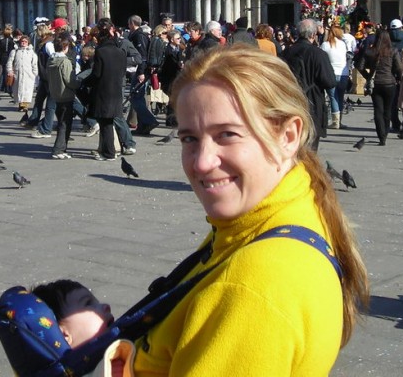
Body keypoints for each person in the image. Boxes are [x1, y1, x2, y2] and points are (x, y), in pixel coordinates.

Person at [132, 46, 369, 375]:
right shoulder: (276, 217)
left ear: (288, 135)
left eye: (227, 134)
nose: (202, 161)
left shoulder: (251, 286)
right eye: (189, 139)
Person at [282, 19, 336, 148]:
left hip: (290, 103)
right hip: (313, 104)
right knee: (310, 149)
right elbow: (330, 82)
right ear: (313, 35)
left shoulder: (285, 53)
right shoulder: (318, 54)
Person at [83, 19, 127, 161]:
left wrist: (85, 82)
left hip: (103, 92)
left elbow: (96, 74)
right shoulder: (121, 52)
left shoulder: (101, 52)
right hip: (116, 91)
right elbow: (122, 72)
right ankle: (106, 149)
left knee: (106, 123)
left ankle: (109, 153)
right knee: (108, 122)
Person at [357, 28, 400, 144]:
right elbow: (399, 68)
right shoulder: (393, 51)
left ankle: (381, 135)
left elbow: (360, 66)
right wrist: (396, 76)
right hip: (389, 83)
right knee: (388, 109)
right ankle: (385, 132)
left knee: (378, 109)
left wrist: (368, 76)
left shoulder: (370, 51)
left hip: (375, 83)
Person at [47, 34, 78, 160]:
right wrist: (78, 83)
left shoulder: (50, 60)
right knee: (65, 124)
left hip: (56, 94)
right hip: (66, 94)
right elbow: (69, 80)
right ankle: (58, 149)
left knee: (61, 121)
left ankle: (62, 148)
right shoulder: (65, 61)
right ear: (65, 47)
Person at [320, 24, 352, 129]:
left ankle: (335, 122)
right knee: (340, 97)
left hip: (331, 73)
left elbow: (322, 59)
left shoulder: (325, 45)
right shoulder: (343, 44)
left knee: (333, 97)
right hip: (343, 74)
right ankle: (340, 121)